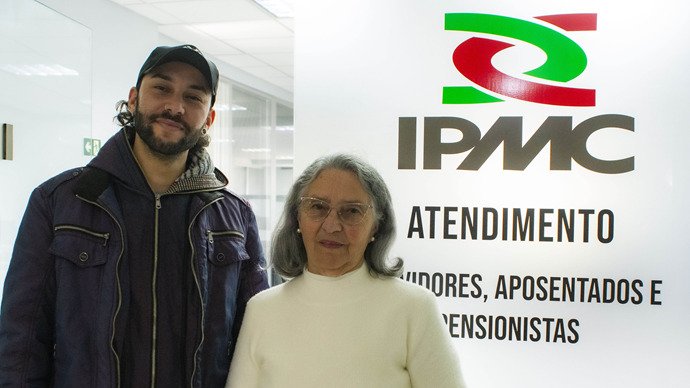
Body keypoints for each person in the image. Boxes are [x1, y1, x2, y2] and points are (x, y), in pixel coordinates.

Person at [0, 44, 269, 387]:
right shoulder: (59, 201)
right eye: (161, 88)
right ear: (133, 99)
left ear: (209, 118)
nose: (175, 106)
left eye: (194, 96)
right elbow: (21, 339)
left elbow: (257, 339)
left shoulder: (234, 216)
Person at [225, 153, 466, 388]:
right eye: (318, 207)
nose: (331, 225)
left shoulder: (414, 308)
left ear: (376, 227)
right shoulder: (262, 310)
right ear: (297, 218)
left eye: (352, 211)